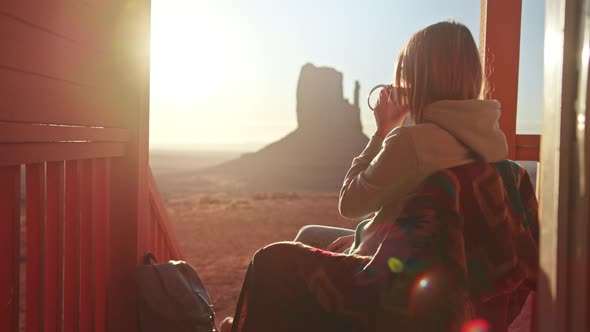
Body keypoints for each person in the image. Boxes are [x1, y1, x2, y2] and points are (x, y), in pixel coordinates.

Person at [219, 20, 538, 332]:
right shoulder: (494, 147)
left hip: (388, 291)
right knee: (310, 233)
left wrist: (382, 130)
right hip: (454, 287)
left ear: (417, 78)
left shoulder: (410, 143)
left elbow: (350, 203)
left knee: (271, 260)